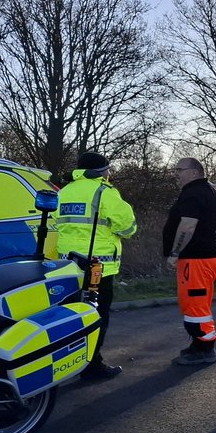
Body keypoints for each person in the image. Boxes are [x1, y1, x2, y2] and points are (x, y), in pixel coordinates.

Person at [54, 151, 138, 381]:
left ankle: (67, 363)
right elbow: (128, 226)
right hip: (98, 268)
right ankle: (92, 366)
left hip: (68, 266)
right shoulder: (104, 192)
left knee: (72, 316)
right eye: (108, 170)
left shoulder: (64, 191)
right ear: (102, 172)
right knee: (96, 316)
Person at [163, 158, 216, 365]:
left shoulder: (194, 192)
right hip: (205, 257)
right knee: (197, 304)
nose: (176, 174)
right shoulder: (209, 189)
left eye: (180, 170)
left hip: (197, 258)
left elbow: (188, 226)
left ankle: (204, 349)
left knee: (195, 305)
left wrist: (174, 253)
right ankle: (199, 345)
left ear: (195, 172)